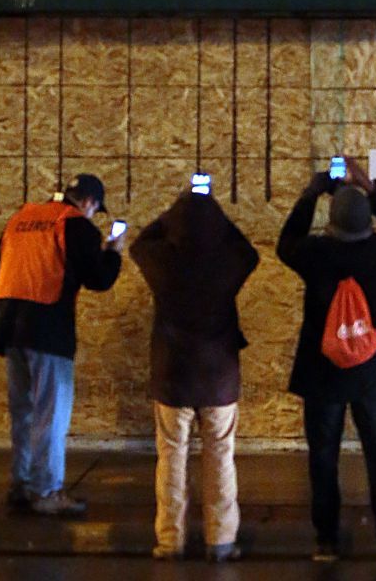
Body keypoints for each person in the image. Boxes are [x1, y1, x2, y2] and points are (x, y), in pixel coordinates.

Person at [276, 156, 376, 564]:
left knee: (323, 455)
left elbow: (286, 241)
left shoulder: (315, 253)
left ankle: (327, 542)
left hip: (323, 375)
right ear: (367, 220)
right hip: (372, 373)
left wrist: (312, 192)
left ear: (331, 221)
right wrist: (369, 185)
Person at [130, 181, 259, 562]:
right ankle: (220, 540)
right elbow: (248, 251)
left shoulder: (162, 262)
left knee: (171, 456)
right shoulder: (228, 263)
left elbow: (139, 243)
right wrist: (215, 215)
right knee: (220, 456)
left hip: (173, 375)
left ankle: (170, 540)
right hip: (218, 376)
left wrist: (174, 212)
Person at [0, 173, 124, 516]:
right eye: (94, 208)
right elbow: (99, 279)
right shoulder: (75, 225)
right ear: (89, 202)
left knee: (24, 412)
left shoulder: (21, 218)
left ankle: (21, 483)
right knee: (50, 414)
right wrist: (113, 253)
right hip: (48, 330)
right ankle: (46, 491)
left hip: (8, 327)